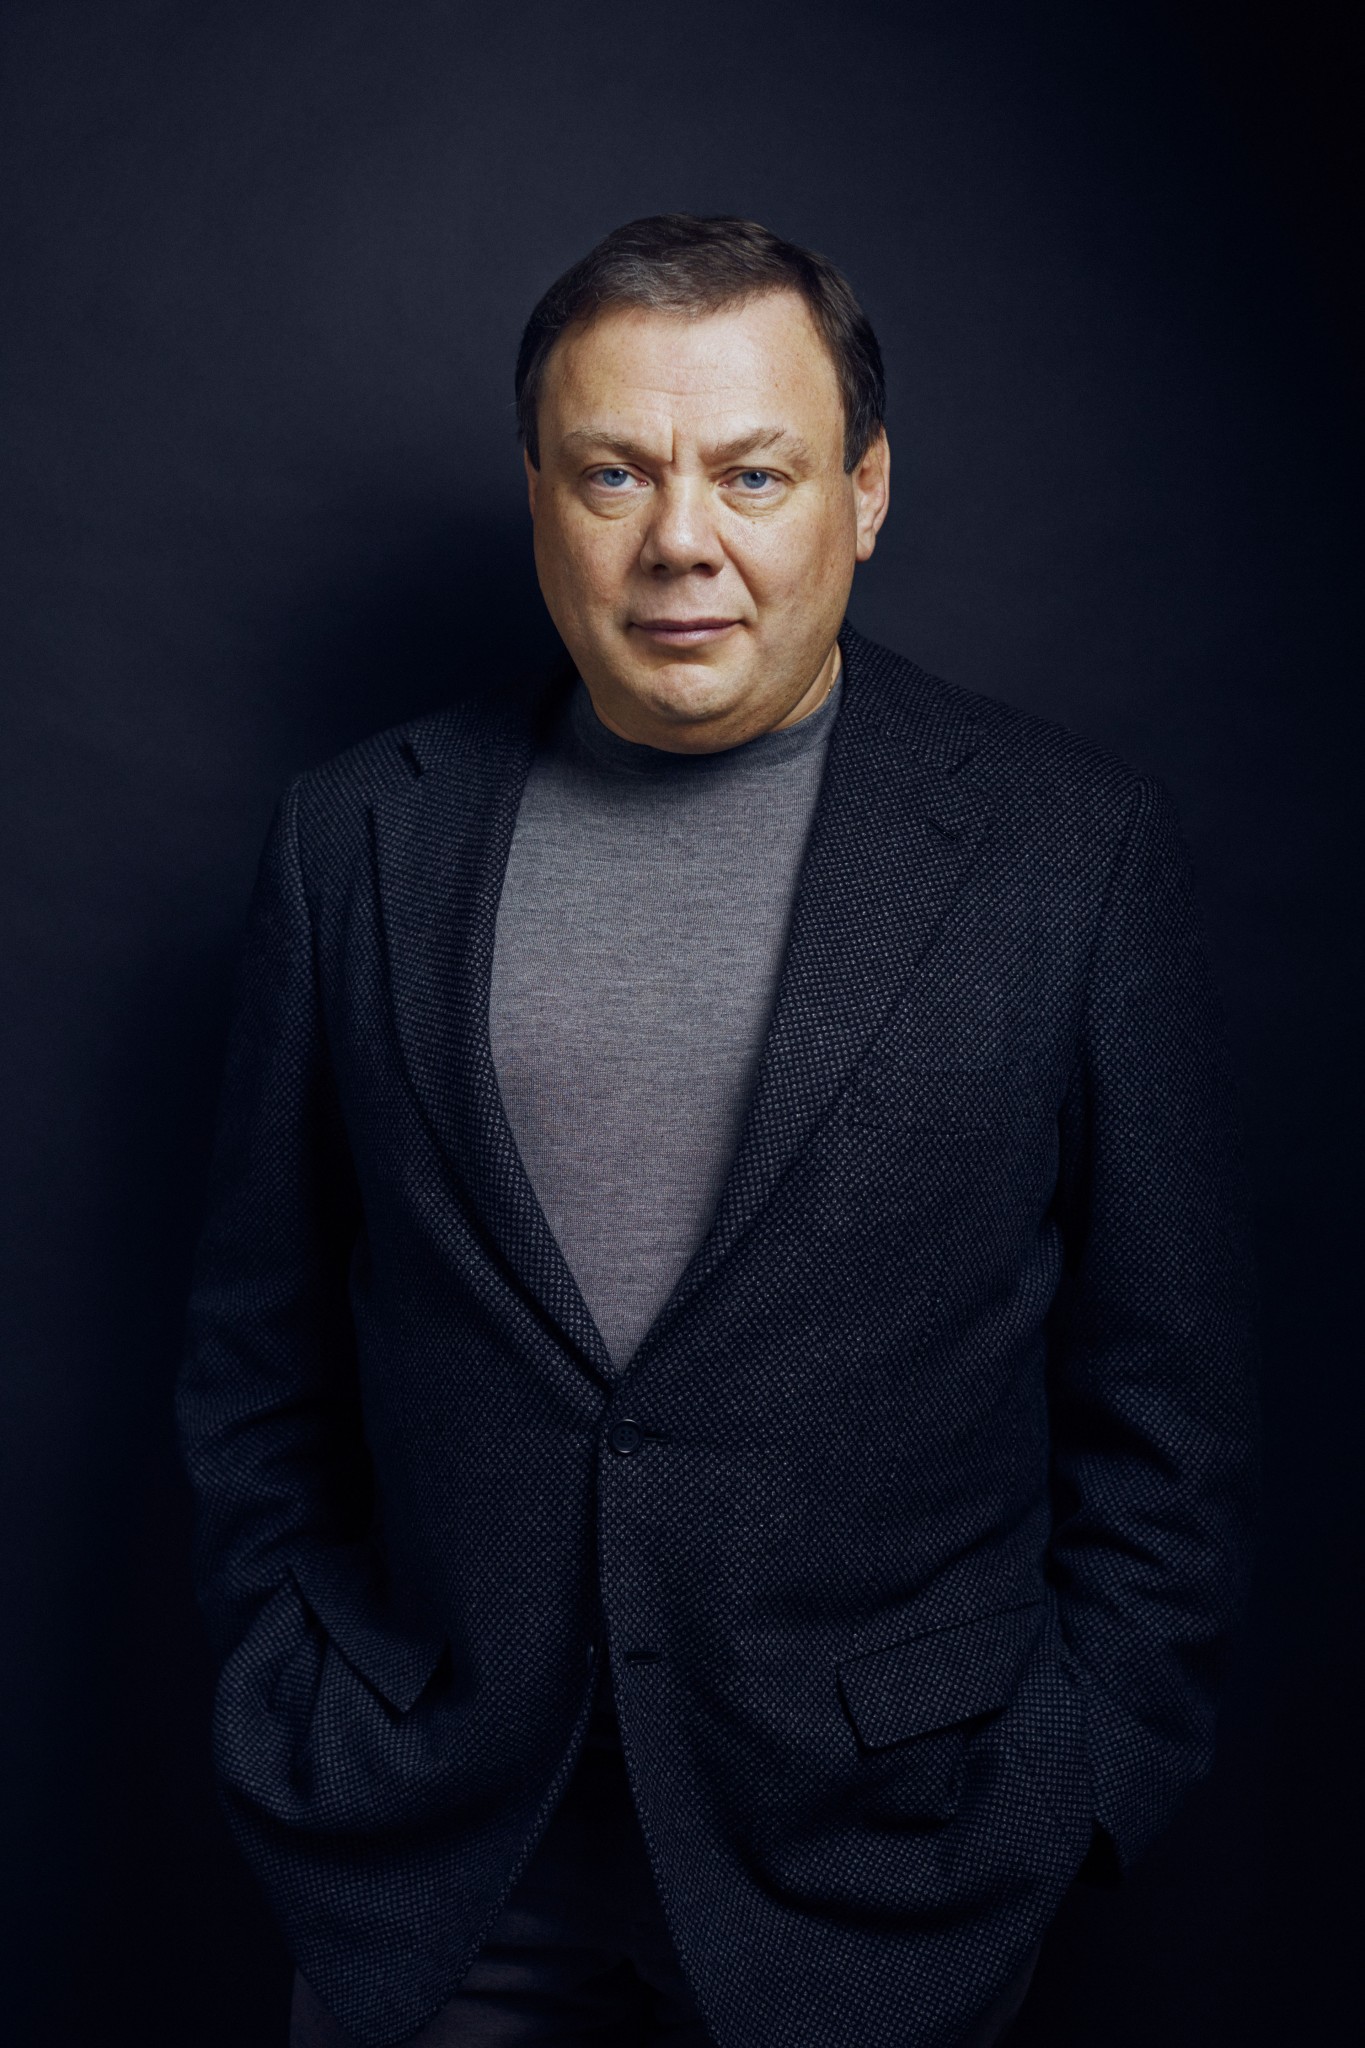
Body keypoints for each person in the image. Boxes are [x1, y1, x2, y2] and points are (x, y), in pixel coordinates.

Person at [175, 214, 1260, 2048]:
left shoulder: (1067, 852)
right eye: (615, 472)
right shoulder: (355, 840)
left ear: (864, 492)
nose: (680, 537)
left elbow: (1172, 1397)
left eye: (753, 473)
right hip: (442, 1850)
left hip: (889, 1858)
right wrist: (303, 1704)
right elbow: (254, 1355)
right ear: (539, 496)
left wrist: (1069, 1781)